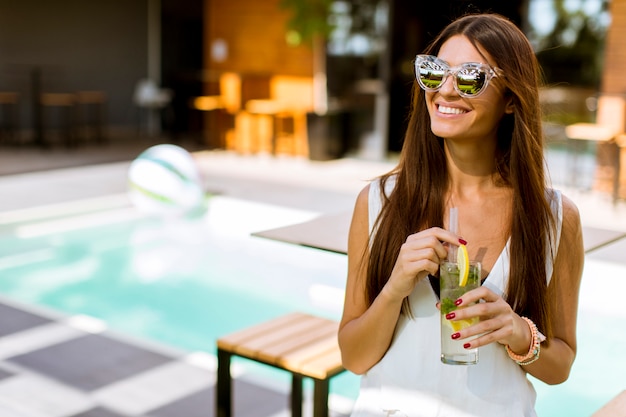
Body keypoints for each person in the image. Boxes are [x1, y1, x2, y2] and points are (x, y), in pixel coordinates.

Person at [338, 13, 584, 417]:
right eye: (435, 73)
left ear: (510, 99)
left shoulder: (555, 218)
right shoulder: (378, 202)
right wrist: (396, 286)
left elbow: (561, 365)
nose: (445, 91)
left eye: (470, 77)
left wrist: (520, 334)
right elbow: (353, 356)